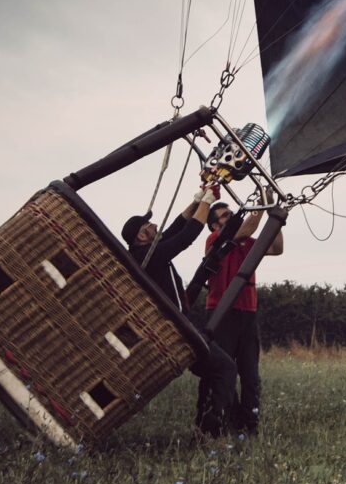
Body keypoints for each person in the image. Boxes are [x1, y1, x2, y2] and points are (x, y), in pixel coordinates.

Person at [197, 202, 282, 436]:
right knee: (224, 371)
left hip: (247, 312)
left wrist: (276, 219)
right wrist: (266, 203)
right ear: (214, 224)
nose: (231, 217)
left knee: (250, 373)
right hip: (221, 312)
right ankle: (222, 422)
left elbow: (276, 248)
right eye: (225, 216)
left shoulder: (245, 242)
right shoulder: (214, 240)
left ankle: (250, 425)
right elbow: (248, 227)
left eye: (230, 214)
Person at [121, 181, 219, 312]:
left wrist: (197, 201)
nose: (156, 225)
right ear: (142, 236)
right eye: (149, 225)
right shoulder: (146, 257)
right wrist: (207, 201)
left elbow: (176, 228)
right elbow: (185, 237)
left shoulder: (145, 251)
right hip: (170, 318)